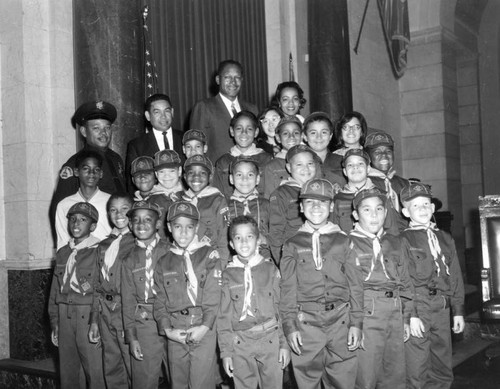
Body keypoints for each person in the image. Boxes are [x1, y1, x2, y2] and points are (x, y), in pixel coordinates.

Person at [279, 178, 363, 389]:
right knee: (307, 379)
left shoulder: (344, 241)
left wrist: (356, 323)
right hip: (306, 321)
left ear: (332, 206)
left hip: (340, 320)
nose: (316, 207)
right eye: (309, 202)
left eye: (323, 202)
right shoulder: (291, 245)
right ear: (300, 207)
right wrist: (290, 327)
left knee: (343, 378)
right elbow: (287, 290)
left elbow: (356, 285)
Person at [400, 182, 465, 389]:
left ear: (433, 208)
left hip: (442, 308)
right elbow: (404, 280)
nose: (422, 209)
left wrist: (458, 310)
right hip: (419, 307)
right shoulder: (403, 239)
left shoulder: (444, 238)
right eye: (416, 205)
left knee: (443, 364)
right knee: (417, 366)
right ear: (405, 211)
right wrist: (412, 316)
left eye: (426, 204)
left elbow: (455, 276)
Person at [154, 201, 222, 389]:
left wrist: (204, 326)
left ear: (197, 228)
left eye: (189, 227)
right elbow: (159, 300)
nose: (183, 232)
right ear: (169, 227)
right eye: (177, 226)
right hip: (177, 329)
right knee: (178, 382)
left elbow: (213, 296)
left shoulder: (210, 255)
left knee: (202, 383)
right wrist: (168, 330)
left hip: (203, 326)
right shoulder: (163, 262)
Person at [349, 187, 412, 389]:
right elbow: (349, 287)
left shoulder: (395, 242)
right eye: (366, 210)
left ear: (386, 212)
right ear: (355, 215)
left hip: (395, 309)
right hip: (367, 310)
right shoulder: (347, 243)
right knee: (366, 375)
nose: (374, 215)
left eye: (379, 209)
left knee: (395, 374)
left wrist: (407, 316)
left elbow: (406, 281)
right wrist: (355, 323)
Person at [218, 215, 290, 389]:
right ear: (231, 244)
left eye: (249, 237)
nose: (244, 242)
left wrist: (284, 345)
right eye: (238, 238)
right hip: (240, 342)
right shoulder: (227, 275)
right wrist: (226, 352)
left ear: (258, 240)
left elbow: (282, 309)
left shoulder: (271, 270)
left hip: (270, 338)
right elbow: (223, 317)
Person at [48, 202, 105, 389]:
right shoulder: (64, 253)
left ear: (93, 226)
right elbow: (54, 290)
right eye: (72, 219)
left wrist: (96, 320)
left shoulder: (99, 251)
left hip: (87, 314)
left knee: (95, 369)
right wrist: (55, 322)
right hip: (65, 314)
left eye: (83, 219)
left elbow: (100, 289)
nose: (76, 224)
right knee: (68, 371)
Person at [50, 101, 125, 242]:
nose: (104, 133)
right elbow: (60, 209)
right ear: (84, 131)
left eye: (107, 128)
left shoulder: (116, 159)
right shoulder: (74, 165)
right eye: (96, 128)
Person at [121, 201, 169, 389]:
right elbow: (127, 301)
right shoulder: (129, 259)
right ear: (130, 225)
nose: (141, 224)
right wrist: (132, 337)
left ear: (158, 224)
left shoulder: (171, 251)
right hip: (144, 323)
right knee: (144, 380)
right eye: (136, 220)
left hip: (172, 319)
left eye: (148, 219)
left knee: (180, 376)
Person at [89, 193, 135, 388]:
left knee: (132, 363)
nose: (119, 214)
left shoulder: (137, 242)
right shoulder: (103, 245)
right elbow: (96, 285)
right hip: (105, 310)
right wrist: (93, 320)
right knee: (112, 363)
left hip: (126, 308)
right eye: (113, 210)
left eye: (124, 209)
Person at [190, 59, 258, 162]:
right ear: (218, 80)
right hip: (217, 173)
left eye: (237, 77)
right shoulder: (204, 107)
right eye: (227, 77)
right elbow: (195, 147)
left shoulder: (252, 109)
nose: (233, 82)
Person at [268, 144, 319, 263]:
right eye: (299, 164)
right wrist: (282, 263)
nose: (306, 169)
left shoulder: (322, 190)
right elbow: (276, 232)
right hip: (295, 255)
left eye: (310, 164)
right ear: (289, 168)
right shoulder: (281, 193)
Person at [126, 93, 184, 193]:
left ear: (172, 112)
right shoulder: (136, 145)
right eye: (157, 112)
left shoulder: (186, 139)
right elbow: (131, 183)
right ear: (148, 116)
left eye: (167, 111)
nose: (163, 116)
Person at [55, 150, 111, 250]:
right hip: (77, 261)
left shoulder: (110, 201)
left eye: (96, 170)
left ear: (101, 174)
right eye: (86, 169)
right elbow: (62, 241)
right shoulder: (64, 205)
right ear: (76, 172)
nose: (91, 173)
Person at [182, 154, 230, 263]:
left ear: (210, 177)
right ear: (184, 177)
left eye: (202, 173)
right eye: (191, 173)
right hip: (185, 259)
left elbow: (224, 235)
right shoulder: (180, 202)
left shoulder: (217, 200)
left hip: (211, 259)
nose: (196, 177)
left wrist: (222, 264)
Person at [213, 111, 272, 199]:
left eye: (249, 129)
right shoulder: (223, 162)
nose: (244, 132)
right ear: (232, 131)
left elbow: (272, 192)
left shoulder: (267, 159)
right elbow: (218, 195)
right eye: (239, 128)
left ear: (256, 132)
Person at [227, 156, 271, 257]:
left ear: (258, 179)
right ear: (231, 179)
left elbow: (276, 235)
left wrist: (265, 240)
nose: (245, 179)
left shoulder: (267, 205)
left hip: (264, 259)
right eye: (239, 174)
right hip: (235, 261)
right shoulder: (225, 206)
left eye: (250, 174)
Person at [365, 130, 409, 233]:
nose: (384, 155)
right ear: (368, 157)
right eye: (377, 152)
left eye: (388, 151)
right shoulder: (365, 184)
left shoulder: (405, 184)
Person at [333, 149, 375, 233]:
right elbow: (333, 231)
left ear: (368, 169)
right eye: (350, 165)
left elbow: (391, 229)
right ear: (345, 171)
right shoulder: (338, 199)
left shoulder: (380, 195)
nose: (355, 167)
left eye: (360, 163)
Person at [261, 116, 303, 199]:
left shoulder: (311, 161)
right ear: (278, 138)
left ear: (302, 136)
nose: (291, 136)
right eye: (285, 133)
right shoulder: (271, 166)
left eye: (296, 133)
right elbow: (269, 197)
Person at [302, 111, 345, 188]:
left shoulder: (341, 161)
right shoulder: (299, 162)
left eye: (324, 132)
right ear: (305, 136)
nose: (319, 137)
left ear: (330, 136)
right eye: (313, 133)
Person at [148, 149, 184, 240]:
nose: (166, 176)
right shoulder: (150, 201)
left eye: (171, 171)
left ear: (179, 171)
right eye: (161, 172)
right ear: (156, 174)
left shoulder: (188, 197)